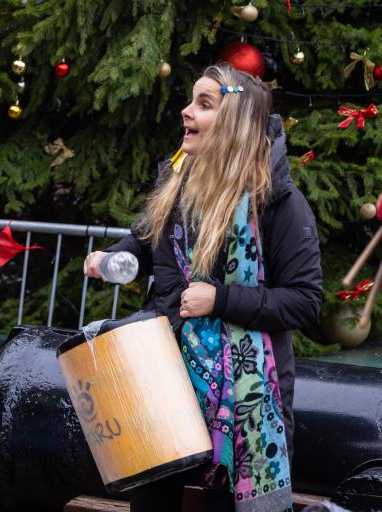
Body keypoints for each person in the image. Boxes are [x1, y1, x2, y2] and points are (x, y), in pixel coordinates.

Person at [83, 63, 322, 511]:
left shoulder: (280, 203)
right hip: (166, 382)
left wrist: (222, 300)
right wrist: (114, 258)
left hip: (246, 401)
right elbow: (144, 241)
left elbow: (305, 301)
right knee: (150, 497)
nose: (185, 112)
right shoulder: (178, 187)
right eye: (191, 101)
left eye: (203, 104)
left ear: (234, 123)